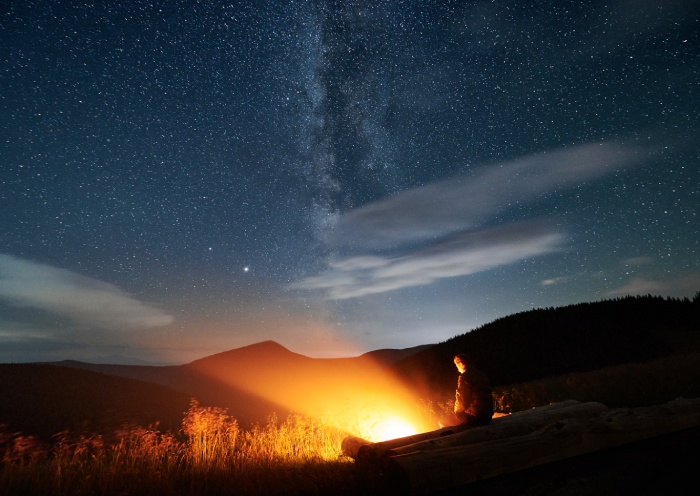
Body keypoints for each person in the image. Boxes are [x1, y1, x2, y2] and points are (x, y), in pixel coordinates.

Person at [438, 354, 493, 428]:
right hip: (487, 417)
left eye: (457, 366)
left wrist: (458, 413)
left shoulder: (464, 376)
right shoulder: (482, 375)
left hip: (476, 417)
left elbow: (462, 398)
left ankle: (453, 439)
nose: (458, 369)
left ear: (461, 364)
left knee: (443, 421)